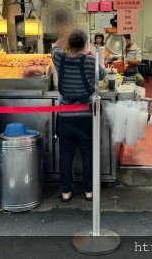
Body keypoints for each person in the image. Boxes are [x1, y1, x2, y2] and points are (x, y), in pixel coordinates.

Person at [52, 29, 106, 203]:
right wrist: (89, 55)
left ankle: (66, 192)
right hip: (86, 116)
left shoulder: (60, 59)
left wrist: (65, 37)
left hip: (65, 116)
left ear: (69, 44)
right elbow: (103, 75)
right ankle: (89, 191)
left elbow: (55, 47)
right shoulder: (90, 61)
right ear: (85, 44)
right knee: (87, 153)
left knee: (65, 155)